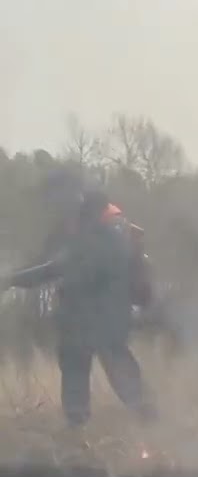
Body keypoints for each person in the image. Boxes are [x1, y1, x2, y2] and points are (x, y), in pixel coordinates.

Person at [2, 170, 157, 430]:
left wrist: (9, 280)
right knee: (123, 375)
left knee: (80, 372)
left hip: (88, 323)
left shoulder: (90, 241)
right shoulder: (117, 238)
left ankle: (79, 427)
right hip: (109, 322)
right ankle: (150, 421)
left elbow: (51, 269)